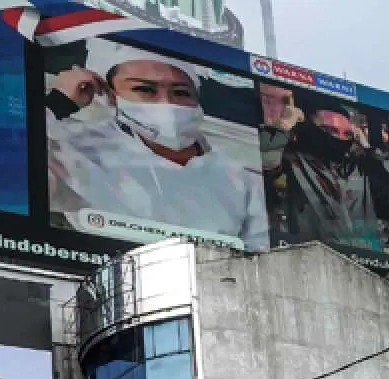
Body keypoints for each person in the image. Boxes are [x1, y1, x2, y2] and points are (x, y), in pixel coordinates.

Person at [47, 39, 269, 251]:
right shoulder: (75, 149)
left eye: (181, 93)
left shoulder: (241, 179)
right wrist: (59, 102)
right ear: (112, 97)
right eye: (145, 90)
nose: (167, 103)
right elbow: (17, 171)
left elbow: (260, 258)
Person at [262, 89, 389, 251]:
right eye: (330, 130)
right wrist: (284, 126)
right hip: (308, 257)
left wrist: (367, 148)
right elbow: (264, 164)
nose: (339, 139)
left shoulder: (356, 169)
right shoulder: (292, 160)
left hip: (366, 263)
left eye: (346, 134)